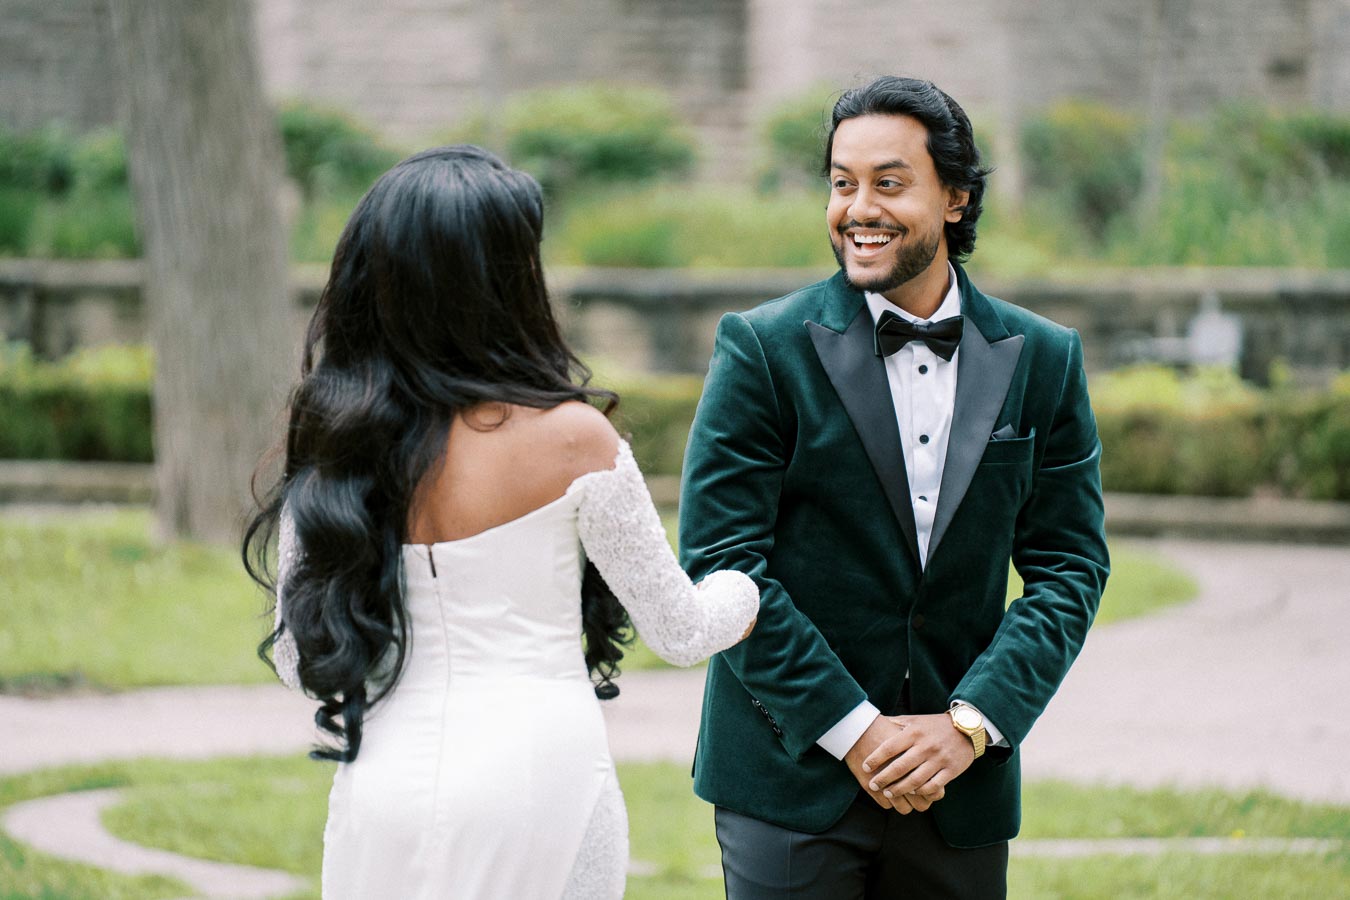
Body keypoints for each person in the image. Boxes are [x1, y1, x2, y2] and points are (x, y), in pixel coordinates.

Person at [242, 145, 758, 900]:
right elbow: (680, 630)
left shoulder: (338, 435)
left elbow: (297, 658)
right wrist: (750, 586)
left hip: (385, 784)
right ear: (502, 281)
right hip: (541, 778)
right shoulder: (572, 437)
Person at [679, 76, 1110, 898]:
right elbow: (722, 564)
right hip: (788, 781)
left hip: (960, 789)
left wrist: (970, 726)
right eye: (842, 183)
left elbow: (1070, 569)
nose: (858, 208)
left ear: (955, 197)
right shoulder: (761, 349)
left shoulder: (1045, 358)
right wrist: (856, 730)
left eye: (888, 182)